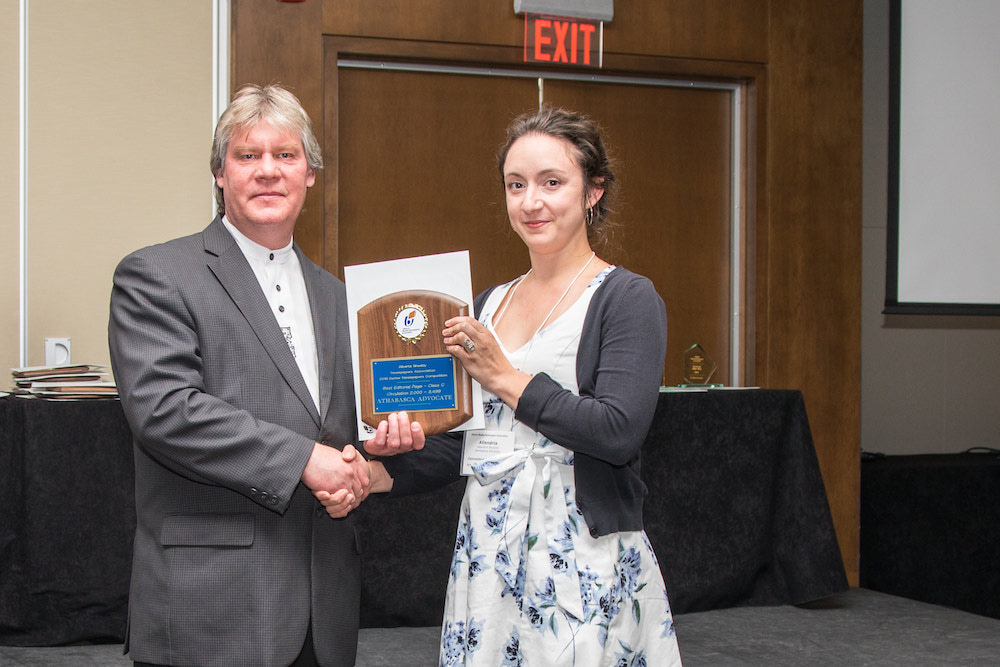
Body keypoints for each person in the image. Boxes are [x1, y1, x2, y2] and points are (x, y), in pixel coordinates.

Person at [360, 107, 683, 666]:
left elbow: (617, 432)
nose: (531, 201)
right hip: (488, 549)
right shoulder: (487, 304)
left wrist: (505, 377)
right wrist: (380, 468)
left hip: (582, 554)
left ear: (593, 191)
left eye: (551, 182)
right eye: (516, 185)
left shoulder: (627, 299)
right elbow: (464, 444)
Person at [109, 84, 376, 667]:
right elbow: (166, 411)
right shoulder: (157, 274)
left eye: (286, 155)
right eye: (247, 155)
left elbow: (345, 431)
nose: (268, 170)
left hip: (322, 612)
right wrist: (305, 460)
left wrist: (377, 451)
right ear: (220, 173)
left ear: (310, 174)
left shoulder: (340, 298)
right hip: (210, 606)